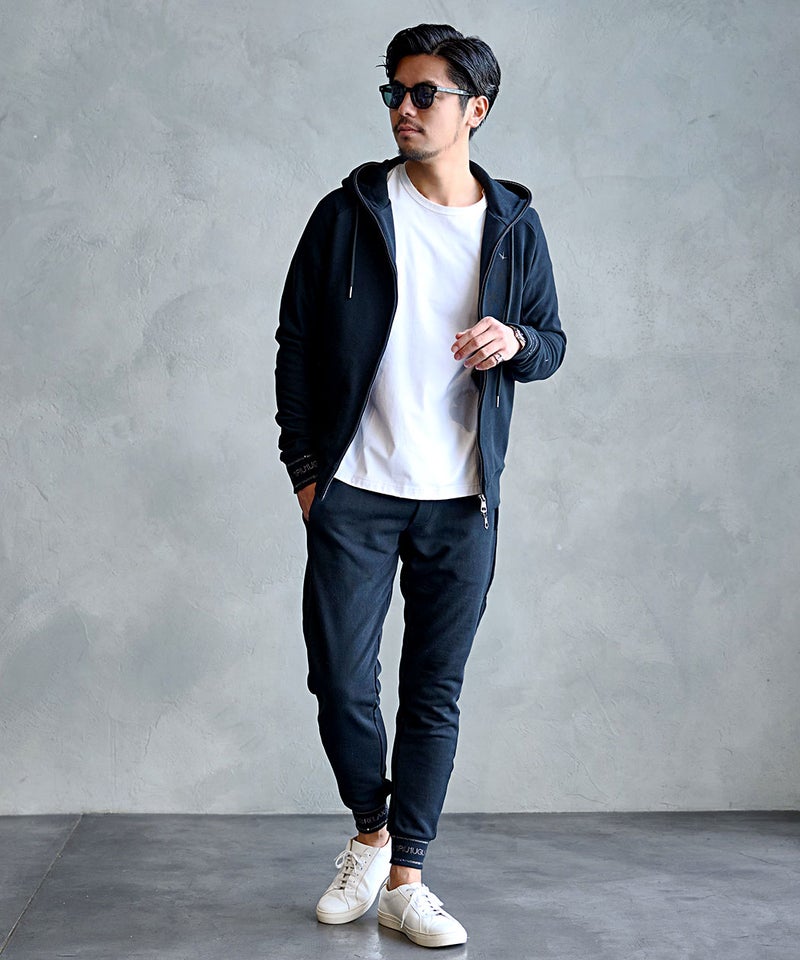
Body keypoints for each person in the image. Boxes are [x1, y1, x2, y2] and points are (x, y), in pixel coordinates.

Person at [275, 22, 566, 948]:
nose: (404, 108)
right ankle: (370, 832)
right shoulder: (349, 213)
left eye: (424, 94)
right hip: (355, 490)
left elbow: (551, 341)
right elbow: (296, 342)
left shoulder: (513, 226)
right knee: (339, 680)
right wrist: (306, 472)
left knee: (433, 691)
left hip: (461, 498)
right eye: (394, 92)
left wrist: (514, 340)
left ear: (474, 109)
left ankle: (407, 878)